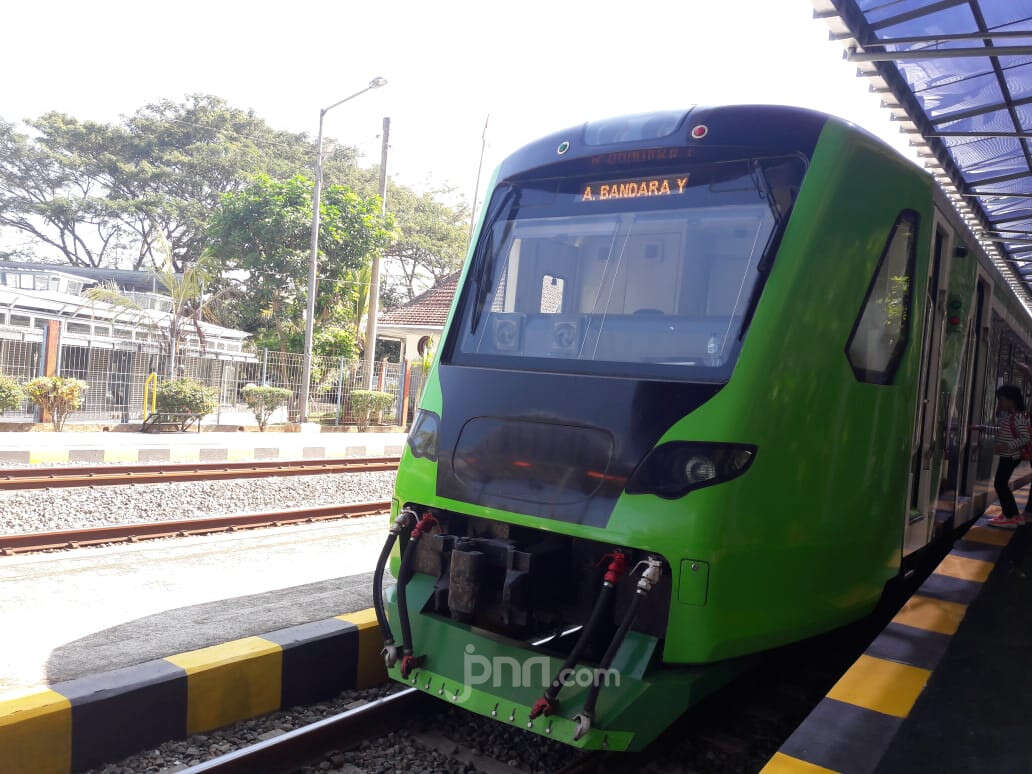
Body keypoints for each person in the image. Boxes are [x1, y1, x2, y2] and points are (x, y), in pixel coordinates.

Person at [973, 384, 1032, 529]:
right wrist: (983, 428)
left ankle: (1011, 516)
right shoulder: (1013, 416)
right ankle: (1012, 516)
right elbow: (1002, 431)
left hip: (1011, 456)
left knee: (1000, 484)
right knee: (1001, 483)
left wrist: (1008, 446)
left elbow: (1026, 437)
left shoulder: (1018, 417)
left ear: (1011, 401)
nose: (999, 403)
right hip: (1008, 455)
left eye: (1001, 400)